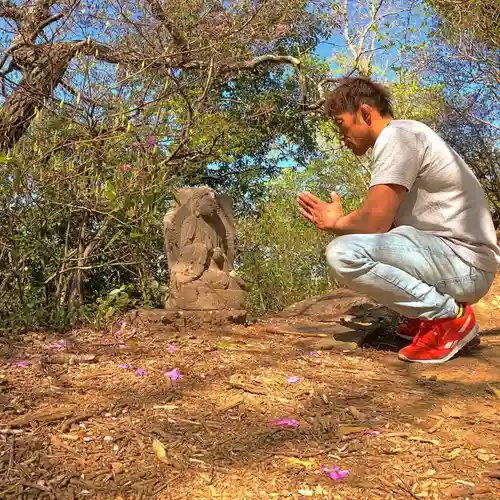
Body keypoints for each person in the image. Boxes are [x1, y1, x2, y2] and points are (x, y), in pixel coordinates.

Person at [297, 77, 500, 364]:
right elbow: (387, 228)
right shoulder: (406, 136)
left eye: (341, 124)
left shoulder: (398, 137)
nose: (341, 139)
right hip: (461, 261)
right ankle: (426, 315)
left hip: (465, 264)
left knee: (343, 253)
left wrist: (336, 222)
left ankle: (447, 318)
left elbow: (373, 223)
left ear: (365, 113)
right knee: (365, 245)